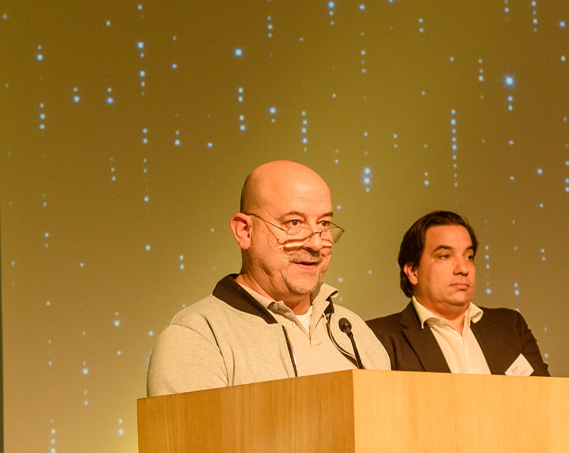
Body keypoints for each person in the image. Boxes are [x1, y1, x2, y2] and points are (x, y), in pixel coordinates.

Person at [147, 160, 388, 393]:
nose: (316, 243)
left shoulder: (352, 330)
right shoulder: (199, 336)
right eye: (294, 223)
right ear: (244, 231)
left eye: (324, 223)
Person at [366, 210, 550, 376]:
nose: (463, 268)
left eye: (469, 257)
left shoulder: (510, 326)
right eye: (445, 256)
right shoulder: (379, 337)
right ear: (413, 271)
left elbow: (546, 396)